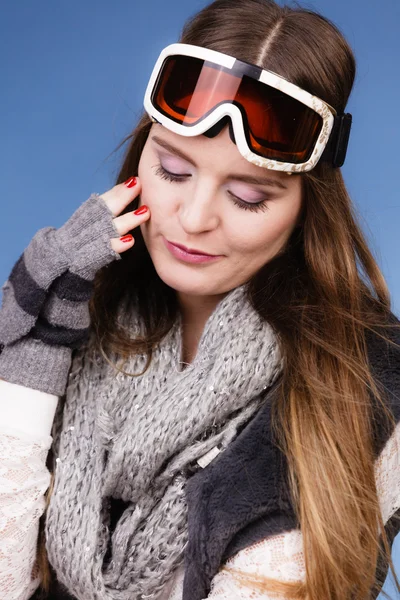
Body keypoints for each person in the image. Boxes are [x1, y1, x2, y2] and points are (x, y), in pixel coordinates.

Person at [0, 0, 399, 598]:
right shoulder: (69, 310)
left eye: (246, 197)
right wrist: (39, 350)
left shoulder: (365, 381)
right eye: (173, 170)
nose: (192, 218)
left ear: (304, 209)